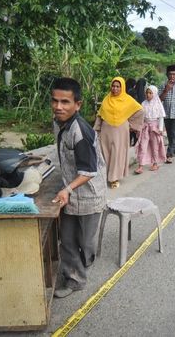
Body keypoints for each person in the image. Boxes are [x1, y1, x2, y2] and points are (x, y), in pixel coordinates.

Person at [50, 77, 107, 298]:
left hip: (89, 195)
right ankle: (75, 279)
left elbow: (88, 171)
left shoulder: (80, 132)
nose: (58, 107)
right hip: (72, 192)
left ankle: (84, 262)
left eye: (65, 102)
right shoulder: (59, 123)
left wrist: (67, 189)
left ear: (78, 104)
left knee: (85, 241)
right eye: (55, 101)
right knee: (68, 238)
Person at [94, 77, 144, 189]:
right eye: (113, 86)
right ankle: (105, 176)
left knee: (117, 154)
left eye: (118, 86)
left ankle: (114, 178)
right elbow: (100, 115)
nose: (115, 88)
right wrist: (96, 129)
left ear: (122, 87)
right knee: (105, 153)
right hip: (106, 131)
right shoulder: (106, 99)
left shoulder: (128, 100)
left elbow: (140, 111)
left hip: (121, 131)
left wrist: (131, 125)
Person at [134, 85, 167, 174]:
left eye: (150, 93)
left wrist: (160, 129)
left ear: (155, 94)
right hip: (145, 127)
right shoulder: (143, 103)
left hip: (154, 128)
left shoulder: (158, 104)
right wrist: (139, 127)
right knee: (142, 145)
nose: (148, 95)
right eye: (147, 93)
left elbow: (161, 117)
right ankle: (140, 165)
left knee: (155, 146)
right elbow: (141, 117)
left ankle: (155, 163)